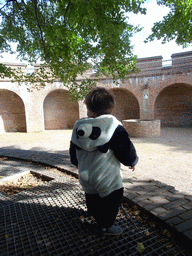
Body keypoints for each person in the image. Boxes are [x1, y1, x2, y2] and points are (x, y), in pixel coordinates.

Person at [69, 87, 138, 236]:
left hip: (85, 175)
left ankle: (95, 215)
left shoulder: (79, 125)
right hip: (106, 177)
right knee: (112, 200)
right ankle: (106, 226)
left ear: (89, 109)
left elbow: (73, 147)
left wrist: (75, 161)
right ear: (110, 108)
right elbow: (125, 149)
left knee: (92, 197)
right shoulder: (113, 126)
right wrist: (132, 161)